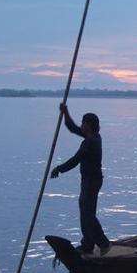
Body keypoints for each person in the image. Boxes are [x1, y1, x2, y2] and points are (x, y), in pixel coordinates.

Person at [51, 104, 111, 256]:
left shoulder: (91, 142)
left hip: (92, 181)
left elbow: (75, 160)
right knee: (85, 212)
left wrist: (59, 169)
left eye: (84, 123)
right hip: (89, 181)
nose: (81, 125)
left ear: (89, 125)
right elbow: (72, 128)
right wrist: (65, 113)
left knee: (87, 214)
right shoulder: (92, 137)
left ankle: (103, 243)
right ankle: (87, 245)